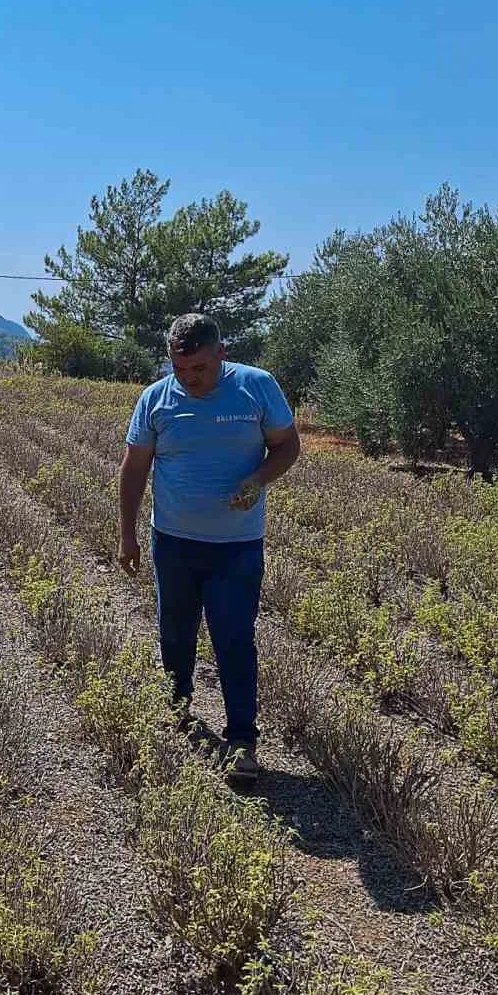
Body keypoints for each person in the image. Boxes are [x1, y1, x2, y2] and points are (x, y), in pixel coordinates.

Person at [117, 312, 300, 785]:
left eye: (198, 368)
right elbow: (135, 468)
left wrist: (258, 479)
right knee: (174, 632)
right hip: (173, 542)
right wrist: (127, 533)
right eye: (179, 369)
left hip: (237, 547)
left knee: (234, 638)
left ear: (222, 352)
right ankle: (177, 706)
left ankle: (242, 740)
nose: (189, 379)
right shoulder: (155, 400)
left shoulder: (257, 388)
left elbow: (287, 446)